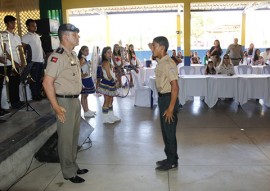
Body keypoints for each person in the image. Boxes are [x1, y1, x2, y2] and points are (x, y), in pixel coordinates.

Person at [42, 23, 88, 184]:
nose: (78, 37)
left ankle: (73, 165)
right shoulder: (58, 56)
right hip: (64, 102)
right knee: (66, 138)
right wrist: (56, 107)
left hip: (74, 100)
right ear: (66, 37)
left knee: (74, 136)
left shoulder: (72, 55)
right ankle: (68, 172)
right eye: (75, 35)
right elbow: (47, 83)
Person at [151, 36, 179, 171]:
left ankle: (172, 161)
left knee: (169, 132)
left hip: (169, 100)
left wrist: (171, 109)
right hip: (163, 99)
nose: (152, 48)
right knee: (166, 132)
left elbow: (175, 87)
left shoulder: (168, 64)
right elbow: (156, 55)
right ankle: (170, 157)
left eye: (154, 46)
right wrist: (153, 50)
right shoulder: (161, 61)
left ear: (162, 48)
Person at [0, 15, 24, 110]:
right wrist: (13, 62)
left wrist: (22, 60)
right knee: (11, 83)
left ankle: (17, 101)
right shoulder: (3, 35)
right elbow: (4, 50)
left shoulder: (17, 36)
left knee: (16, 82)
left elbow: (20, 49)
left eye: (14, 22)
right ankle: (13, 103)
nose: (13, 24)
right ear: (6, 24)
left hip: (17, 63)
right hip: (8, 64)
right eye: (11, 22)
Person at [22, 19, 44, 101]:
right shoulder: (26, 37)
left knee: (39, 78)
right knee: (34, 79)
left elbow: (40, 48)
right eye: (33, 25)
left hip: (40, 60)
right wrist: (24, 60)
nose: (35, 27)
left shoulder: (37, 36)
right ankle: (34, 95)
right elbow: (22, 48)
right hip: (33, 61)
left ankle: (38, 94)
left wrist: (43, 57)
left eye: (35, 25)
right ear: (28, 27)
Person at [96, 46, 120, 124]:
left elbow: (112, 73)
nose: (110, 54)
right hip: (107, 83)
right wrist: (114, 81)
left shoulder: (109, 62)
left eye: (111, 52)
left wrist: (115, 78)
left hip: (111, 82)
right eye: (108, 52)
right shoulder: (105, 62)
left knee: (111, 100)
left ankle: (111, 115)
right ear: (104, 54)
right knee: (107, 100)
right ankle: (105, 118)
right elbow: (109, 75)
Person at [78, 45, 96, 118]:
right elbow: (77, 68)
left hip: (88, 77)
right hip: (84, 79)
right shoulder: (82, 59)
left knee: (86, 95)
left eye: (88, 50)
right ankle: (85, 111)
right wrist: (82, 75)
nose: (87, 52)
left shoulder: (85, 59)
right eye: (86, 50)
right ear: (82, 51)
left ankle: (87, 110)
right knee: (84, 95)